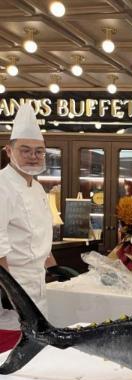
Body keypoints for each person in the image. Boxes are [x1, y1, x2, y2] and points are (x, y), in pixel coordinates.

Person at [0, 103, 52, 352]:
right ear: (8, 151)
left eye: (39, 151)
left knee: (35, 349)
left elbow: (41, 233)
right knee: (11, 353)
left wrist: (52, 265)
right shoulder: (2, 185)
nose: (33, 156)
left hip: (37, 282)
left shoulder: (39, 188)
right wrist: (8, 293)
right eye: (25, 150)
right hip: (12, 287)